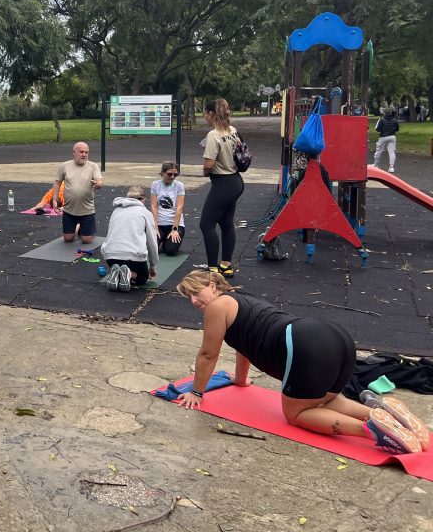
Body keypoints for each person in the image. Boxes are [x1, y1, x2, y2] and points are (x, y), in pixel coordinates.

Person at [175, 270, 429, 455]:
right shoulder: (240, 298)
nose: (194, 301)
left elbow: (208, 354)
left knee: (297, 414)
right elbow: (244, 344)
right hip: (335, 338)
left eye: (196, 293)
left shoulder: (217, 306)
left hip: (305, 344)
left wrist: (197, 392)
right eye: (189, 297)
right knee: (328, 400)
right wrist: (240, 380)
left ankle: (374, 430)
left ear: (212, 284)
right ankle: (387, 416)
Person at [199, 99, 244, 275]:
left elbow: (209, 164)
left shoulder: (213, 135)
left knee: (206, 225)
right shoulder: (232, 130)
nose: (204, 116)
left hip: (223, 183)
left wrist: (204, 173)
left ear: (210, 114)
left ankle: (212, 269)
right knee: (226, 223)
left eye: (205, 113)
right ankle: (226, 266)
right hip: (235, 180)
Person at [101, 186, 158, 290]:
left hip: (111, 256)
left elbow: (110, 233)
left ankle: (117, 273)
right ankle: (129, 274)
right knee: (143, 278)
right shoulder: (145, 213)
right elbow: (152, 241)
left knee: (118, 264)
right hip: (134, 257)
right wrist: (153, 266)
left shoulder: (116, 210)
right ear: (144, 200)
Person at [50, 141, 103, 244]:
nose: (84, 154)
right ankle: (78, 226)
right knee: (68, 239)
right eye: (81, 152)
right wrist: (55, 198)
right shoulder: (65, 166)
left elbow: (100, 181)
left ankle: (81, 227)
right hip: (69, 210)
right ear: (74, 152)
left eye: (86, 152)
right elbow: (57, 182)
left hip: (87, 210)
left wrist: (98, 184)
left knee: (86, 240)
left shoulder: (93, 166)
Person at [150, 162, 186, 255]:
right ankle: (162, 239)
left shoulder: (179, 185)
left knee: (170, 251)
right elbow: (154, 206)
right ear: (162, 173)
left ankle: (166, 241)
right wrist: (155, 227)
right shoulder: (155, 185)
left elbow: (179, 208)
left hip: (174, 223)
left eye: (175, 174)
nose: (173, 177)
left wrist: (175, 229)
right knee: (153, 251)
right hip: (160, 223)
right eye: (170, 174)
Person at [372, 108, 398, 174]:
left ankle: (375, 165)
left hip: (383, 137)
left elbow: (377, 129)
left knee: (379, 150)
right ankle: (391, 167)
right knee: (392, 152)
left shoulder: (382, 120)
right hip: (392, 136)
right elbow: (397, 129)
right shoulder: (394, 120)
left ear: (384, 113)